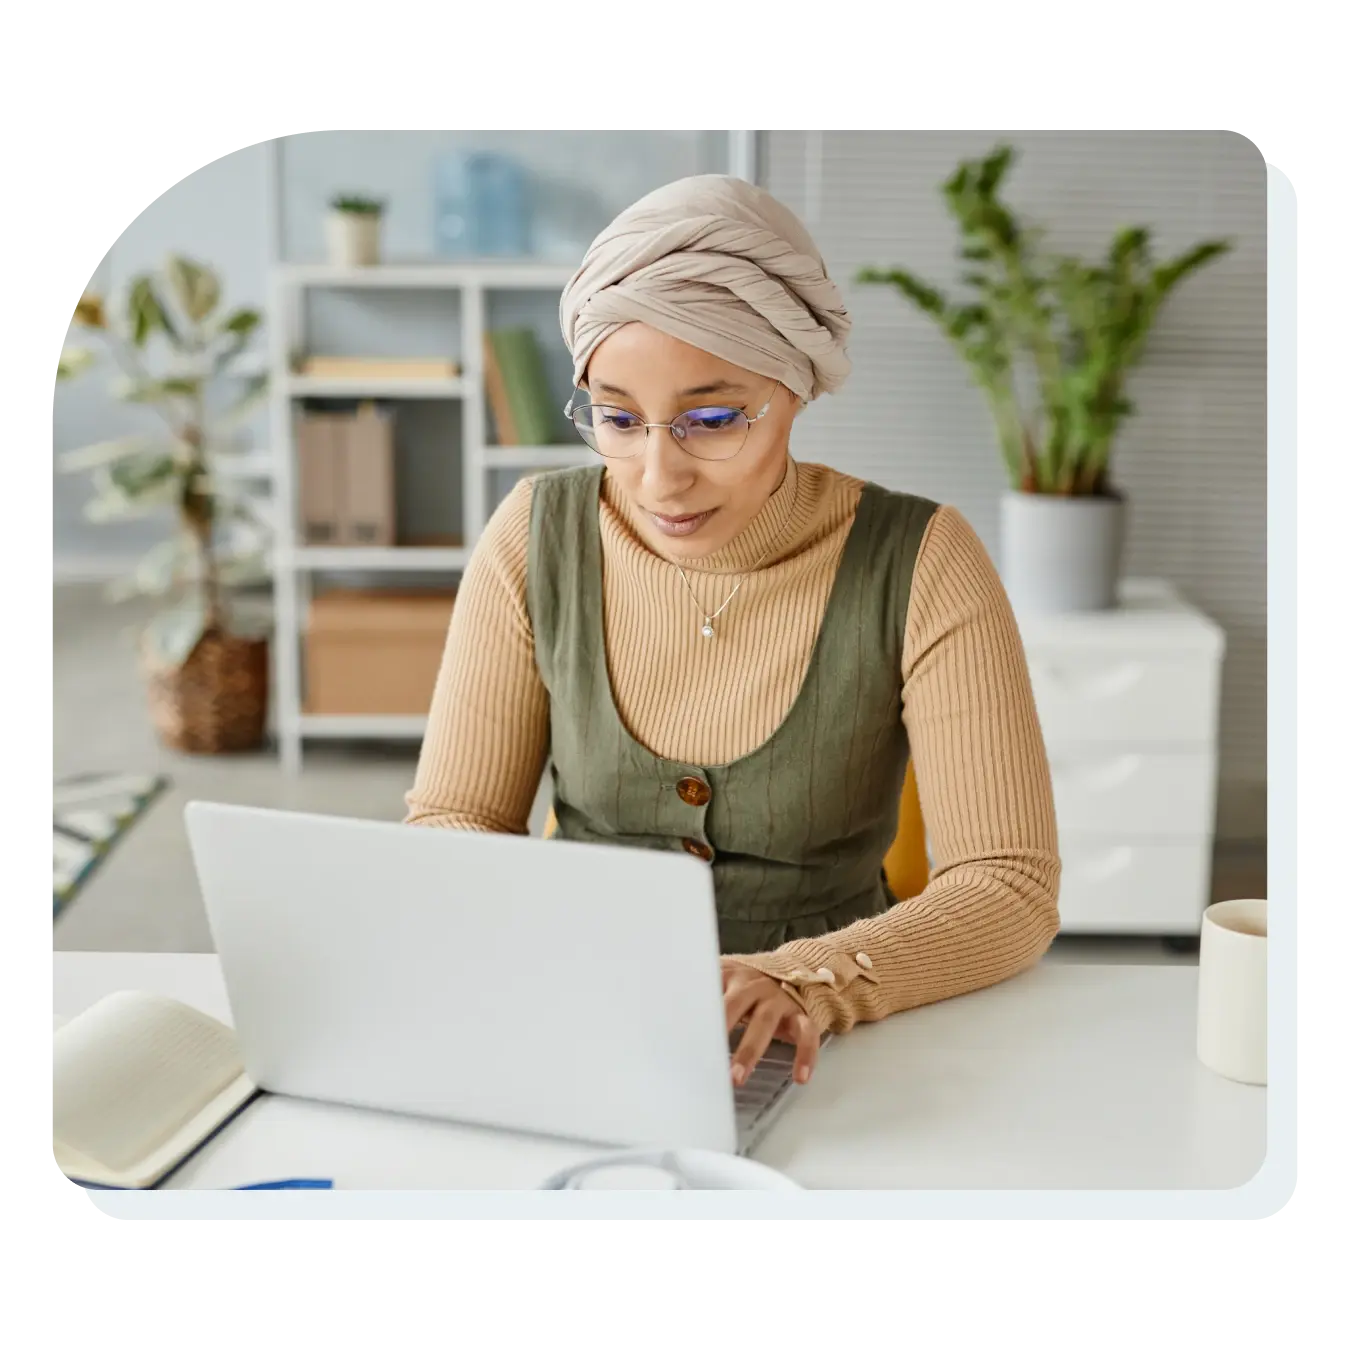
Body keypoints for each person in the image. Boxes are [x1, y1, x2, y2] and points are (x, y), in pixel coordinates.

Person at [406, 174, 1061, 1089]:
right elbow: (455, 818)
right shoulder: (533, 536)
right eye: (618, 419)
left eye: (712, 420)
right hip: (574, 1020)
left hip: (829, 1051)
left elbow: (1009, 887)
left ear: (795, 389)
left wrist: (803, 982)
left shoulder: (923, 560)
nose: (656, 476)